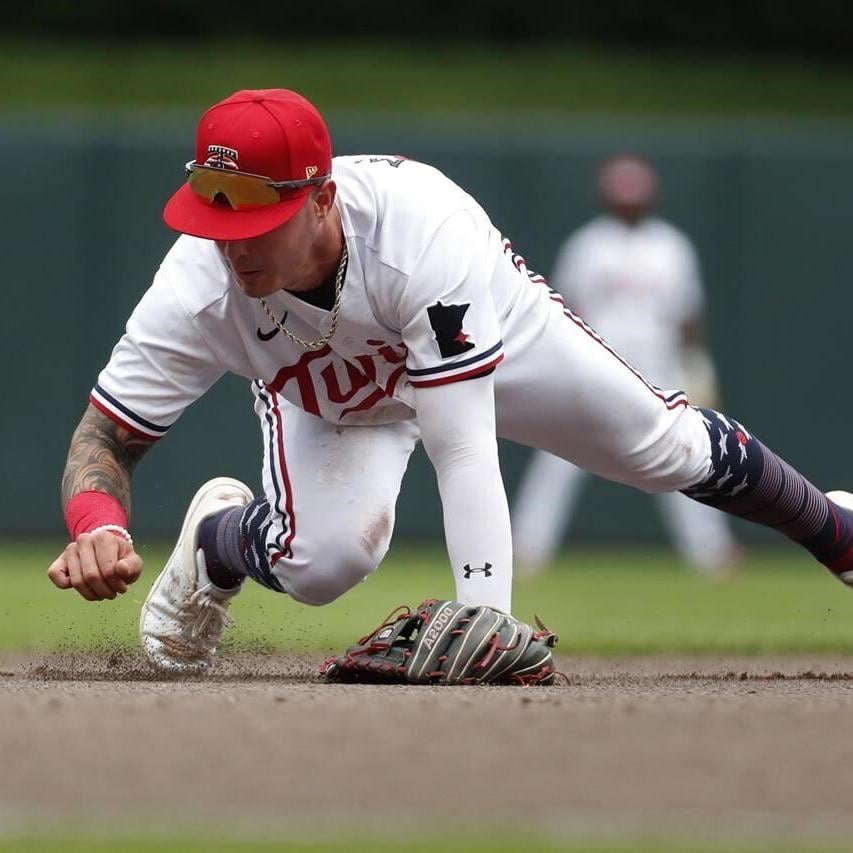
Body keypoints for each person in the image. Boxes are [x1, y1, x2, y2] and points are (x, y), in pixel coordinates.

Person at [47, 88, 853, 676]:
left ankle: (835, 531)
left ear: (322, 199)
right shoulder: (197, 287)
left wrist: (486, 615)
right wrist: (95, 520)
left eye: (255, 222)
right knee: (321, 565)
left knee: (666, 447)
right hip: (334, 398)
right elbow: (107, 434)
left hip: (486, 334)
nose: (233, 247)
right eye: (216, 221)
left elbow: (461, 446)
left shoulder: (417, 227)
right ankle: (217, 542)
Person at [512, 154, 742, 577]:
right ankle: (527, 546)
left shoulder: (671, 245)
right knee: (559, 456)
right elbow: (566, 310)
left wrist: (698, 368)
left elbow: (688, 318)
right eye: (622, 195)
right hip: (598, 361)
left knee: (684, 453)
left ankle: (712, 550)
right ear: (607, 197)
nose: (629, 203)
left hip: (658, 364)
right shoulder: (588, 244)